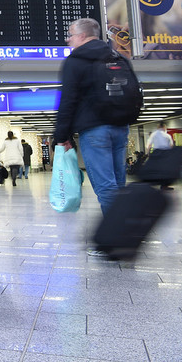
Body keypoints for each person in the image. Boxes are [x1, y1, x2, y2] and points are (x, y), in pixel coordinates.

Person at [54, 18, 130, 243]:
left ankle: (116, 240)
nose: (68, 39)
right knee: (118, 184)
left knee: (106, 187)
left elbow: (68, 102)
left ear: (82, 36)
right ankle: (123, 233)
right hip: (121, 128)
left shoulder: (76, 61)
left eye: (70, 34)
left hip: (95, 131)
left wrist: (62, 137)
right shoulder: (118, 57)